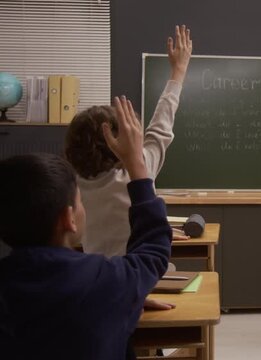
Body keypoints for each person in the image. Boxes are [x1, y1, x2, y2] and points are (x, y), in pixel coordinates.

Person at [0, 95, 171, 360]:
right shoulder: (108, 281)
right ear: (68, 219)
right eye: (79, 202)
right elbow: (153, 251)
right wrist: (137, 165)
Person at [64, 24, 191, 259]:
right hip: (139, 278)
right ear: (121, 141)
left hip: (99, 277)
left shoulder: (75, 188)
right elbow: (161, 128)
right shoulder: (139, 170)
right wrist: (179, 70)